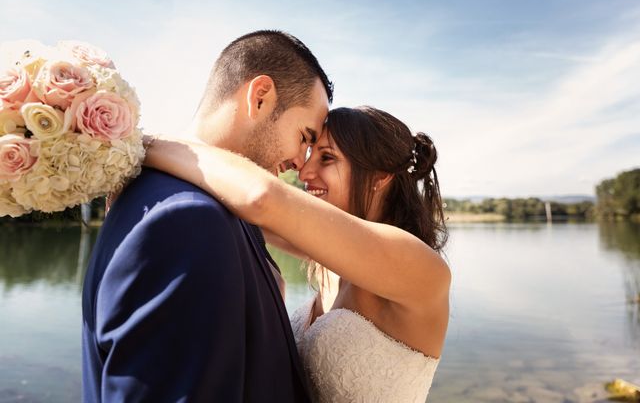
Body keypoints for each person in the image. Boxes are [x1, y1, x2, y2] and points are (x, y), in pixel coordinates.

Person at [81, 30, 333, 402]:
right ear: (260, 97)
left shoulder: (215, 206)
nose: (302, 161)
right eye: (305, 136)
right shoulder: (188, 222)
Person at [143, 105, 451, 402]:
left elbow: (261, 199)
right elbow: (237, 209)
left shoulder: (418, 266)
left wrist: (140, 146)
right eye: (310, 154)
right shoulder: (326, 258)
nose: (304, 172)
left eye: (327, 158)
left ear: (380, 176)